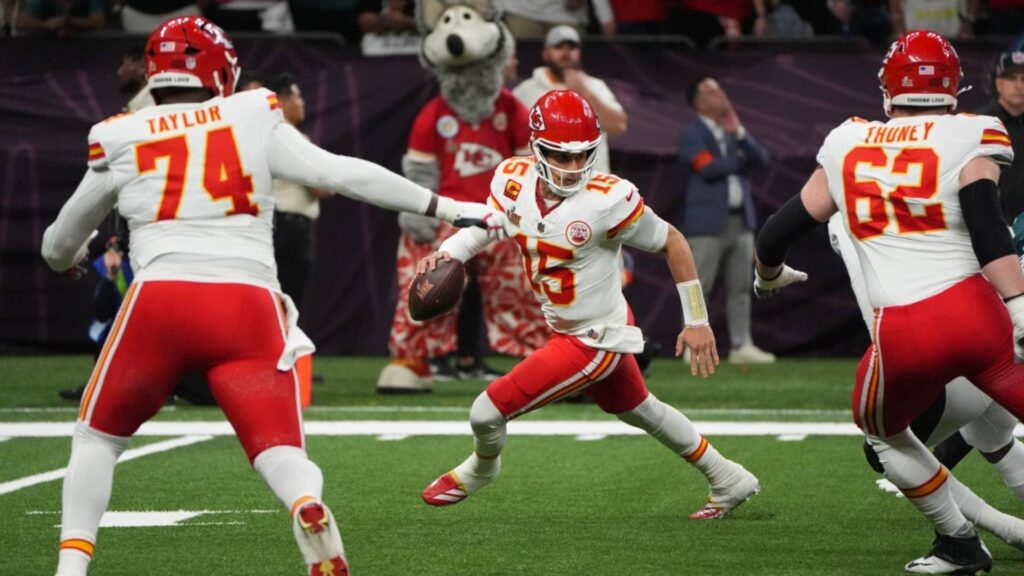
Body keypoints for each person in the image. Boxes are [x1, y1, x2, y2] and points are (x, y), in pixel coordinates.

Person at [40, 16, 500, 576]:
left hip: (160, 301)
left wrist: (70, 257)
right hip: (247, 304)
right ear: (221, 68)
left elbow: (58, 242)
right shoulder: (251, 113)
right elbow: (342, 172)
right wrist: (450, 208)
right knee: (279, 448)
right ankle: (304, 503)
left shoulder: (121, 133)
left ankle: (70, 570)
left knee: (96, 438)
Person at [753, 30, 1024, 573]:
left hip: (904, 332)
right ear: (954, 89)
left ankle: (959, 542)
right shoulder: (975, 131)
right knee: (991, 424)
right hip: (979, 315)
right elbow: (988, 228)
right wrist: (1018, 308)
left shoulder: (848, 141)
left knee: (881, 437)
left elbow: (778, 231)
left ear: (887, 89)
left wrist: (769, 276)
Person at [419, 90, 759, 523]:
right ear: (536, 149)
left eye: (583, 156)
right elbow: (485, 227)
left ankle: (483, 468)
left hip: (594, 337)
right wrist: (449, 254)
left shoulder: (608, 199)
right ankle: (728, 477)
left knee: (485, 411)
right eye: (562, 157)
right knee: (641, 409)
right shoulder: (512, 180)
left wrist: (697, 319)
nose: (574, 167)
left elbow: (673, 241)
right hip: (574, 327)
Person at [678, 76, 774, 364]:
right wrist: (740, 162)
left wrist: (741, 134)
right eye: (711, 92)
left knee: (741, 287)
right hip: (706, 223)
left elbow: (762, 160)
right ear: (697, 101)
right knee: (699, 286)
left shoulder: (734, 134)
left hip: (740, 220)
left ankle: (742, 344)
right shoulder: (691, 134)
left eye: (719, 89)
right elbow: (706, 169)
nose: (720, 95)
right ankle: (690, 343)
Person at [512, 25, 627, 176]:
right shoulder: (525, 91)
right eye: (559, 47)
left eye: (571, 48)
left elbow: (618, 126)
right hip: (542, 185)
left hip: (591, 185)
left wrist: (584, 92)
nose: (566, 53)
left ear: (579, 53)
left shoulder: (594, 86)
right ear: (546, 54)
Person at [979, 42, 1024, 221]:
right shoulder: (979, 123)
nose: (1019, 86)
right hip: (992, 222)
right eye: (1012, 78)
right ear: (999, 84)